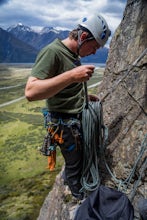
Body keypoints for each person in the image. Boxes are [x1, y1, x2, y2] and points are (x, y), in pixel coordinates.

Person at [25, 13, 111, 200]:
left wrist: (83, 94)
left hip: (74, 119)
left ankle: (74, 186)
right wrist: (72, 76)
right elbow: (31, 92)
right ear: (82, 37)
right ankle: (77, 196)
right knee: (75, 164)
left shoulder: (72, 54)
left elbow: (62, 87)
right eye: (94, 46)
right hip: (64, 125)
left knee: (80, 159)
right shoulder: (52, 52)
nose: (95, 52)